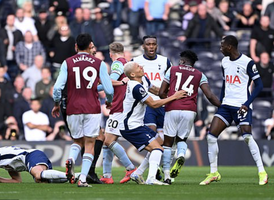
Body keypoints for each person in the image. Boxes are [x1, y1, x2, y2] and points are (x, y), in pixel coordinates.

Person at [199, 35, 268, 186]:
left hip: (241, 106)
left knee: (247, 137)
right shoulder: (224, 62)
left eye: (222, 45)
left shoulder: (247, 62)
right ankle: (214, 172)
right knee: (211, 136)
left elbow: (259, 85)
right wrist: (221, 102)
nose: (220, 48)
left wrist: (247, 103)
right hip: (226, 105)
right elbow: (225, 83)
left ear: (230, 47)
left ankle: (262, 172)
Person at [52, 33, 114, 187]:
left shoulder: (67, 63)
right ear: (90, 46)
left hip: (73, 107)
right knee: (90, 144)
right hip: (92, 108)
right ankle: (83, 179)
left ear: (76, 46)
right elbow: (109, 89)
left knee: (77, 140)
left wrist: (56, 103)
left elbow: (57, 88)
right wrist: (109, 101)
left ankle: (71, 159)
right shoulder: (98, 63)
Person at [158, 50, 221, 184]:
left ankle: (167, 176)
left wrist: (169, 100)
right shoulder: (200, 75)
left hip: (172, 109)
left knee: (168, 143)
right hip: (189, 110)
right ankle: (181, 155)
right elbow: (209, 95)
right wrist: (222, 106)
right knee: (181, 139)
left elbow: (161, 92)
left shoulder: (172, 70)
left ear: (182, 61)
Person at [119, 61, 186, 185]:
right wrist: (174, 97)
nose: (142, 67)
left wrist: (171, 92)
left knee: (159, 144)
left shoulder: (143, 79)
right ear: (133, 74)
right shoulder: (135, 87)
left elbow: (155, 90)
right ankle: (151, 178)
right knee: (157, 149)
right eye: (138, 67)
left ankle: (138, 173)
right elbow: (153, 104)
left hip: (137, 124)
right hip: (131, 126)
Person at [99, 42, 136, 184]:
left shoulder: (116, 64)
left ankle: (130, 168)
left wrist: (92, 88)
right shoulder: (127, 63)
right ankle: (107, 175)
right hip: (120, 105)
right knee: (106, 142)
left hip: (119, 107)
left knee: (108, 141)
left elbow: (110, 81)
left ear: (110, 53)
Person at [132, 35, 172, 136]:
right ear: (143, 46)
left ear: (157, 46)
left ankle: (160, 151)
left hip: (162, 102)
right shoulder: (135, 61)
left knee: (165, 136)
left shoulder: (165, 61)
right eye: (148, 44)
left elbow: (172, 80)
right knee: (151, 130)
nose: (151, 47)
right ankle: (154, 149)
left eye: (153, 44)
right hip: (146, 103)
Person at [0, 146, 68, 183]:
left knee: (38, 175)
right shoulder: (6, 163)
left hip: (31, 155)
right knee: (42, 181)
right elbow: (17, 181)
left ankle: (68, 175)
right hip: (34, 156)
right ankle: (76, 176)